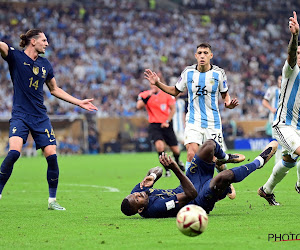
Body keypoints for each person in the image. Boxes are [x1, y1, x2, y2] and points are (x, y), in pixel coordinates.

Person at [0, 29, 98, 210]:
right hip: (20, 115)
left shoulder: (45, 64)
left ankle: (52, 201)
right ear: (33, 41)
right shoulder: (15, 57)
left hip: (40, 117)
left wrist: (79, 102)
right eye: (44, 40)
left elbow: (55, 90)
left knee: (52, 156)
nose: (47, 43)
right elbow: (3, 46)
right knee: (14, 153)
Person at [144, 43, 239, 196]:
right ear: (195, 56)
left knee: (217, 160)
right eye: (199, 53)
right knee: (191, 153)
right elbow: (175, 91)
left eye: (205, 53)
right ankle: (188, 189)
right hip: (193, 121)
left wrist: (228, 104)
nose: (202, 55)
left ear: (211, 55)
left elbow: (224, 94)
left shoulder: (219, 73)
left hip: (212, 122)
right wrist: (158, 84)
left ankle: (226, 182)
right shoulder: (188, 72)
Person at [121, 139, 278, 218]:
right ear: (140, 209)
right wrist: (175, 167)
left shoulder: (138, 192)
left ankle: (223, 158)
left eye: (134, 194)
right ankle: (259, 162)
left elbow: (156, 170)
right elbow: (191, 195)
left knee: (209, 145)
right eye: (137, 199)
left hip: (189, 183)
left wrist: (153, 175)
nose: (138, 194)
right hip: (198, 201)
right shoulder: (156, 208)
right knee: (225, 176)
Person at [258, 11, 300, 206]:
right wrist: (295, 36)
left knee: (288, 162)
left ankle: (266, 190)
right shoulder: (291, 70)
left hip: (298, 127)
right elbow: (291, 55)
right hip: (283, 124)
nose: (298, 56)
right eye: (298, 53)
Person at [137, 81, 185, 177]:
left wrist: (167, 121)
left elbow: (173, 109)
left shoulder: (167, 94)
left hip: (166, 124)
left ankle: (177, 161)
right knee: (160, 146)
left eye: (155, 84)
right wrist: (149, 95)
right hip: (154, 125)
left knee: (176, 150)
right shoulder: (145, 94)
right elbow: (139, 106)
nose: (153, 86)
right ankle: (167, 170)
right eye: (151, 84)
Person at [262, 75, 282, 163]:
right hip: (275, 119)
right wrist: (271, 109)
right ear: (277, 80)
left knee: (284, 140)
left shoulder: (289, 89)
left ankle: (285, 160)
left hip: (286, 118)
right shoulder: (273, 90)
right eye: (280, 79)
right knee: (277, 140)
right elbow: (264, 101)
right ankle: (278, 161)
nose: (281, 81)